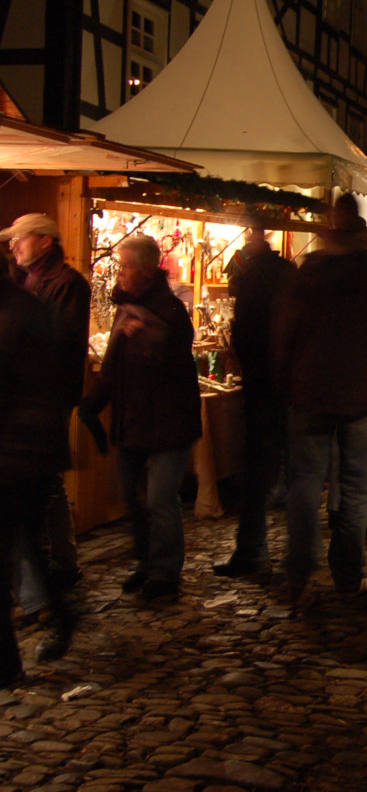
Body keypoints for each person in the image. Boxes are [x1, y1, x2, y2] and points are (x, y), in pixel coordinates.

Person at [274, 200, 367, 605]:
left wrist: (285, 380)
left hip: (310, 387)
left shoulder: (309, 272)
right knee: (355, 484)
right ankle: (347, 572)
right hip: (362, 391)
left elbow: (286, 332)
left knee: (306, 483)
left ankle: (300, 566)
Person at [79, 234, 203, 604]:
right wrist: (90, 406)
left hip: (168, 422)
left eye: (126, 266)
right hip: (133, 420)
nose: (120, 273)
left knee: (160, 499)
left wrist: (148, 337)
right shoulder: (126, 310)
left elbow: (177, 362)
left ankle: (166, 571)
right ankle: (147, 563)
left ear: (147, 270)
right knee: (133, 497)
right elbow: (113, 369)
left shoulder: (169, 311)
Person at [0, 213, 90, 592]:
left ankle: (50, 578)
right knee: (47, 484)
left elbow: (61, 347)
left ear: (46, 242)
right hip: (38, 403)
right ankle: (57, 569)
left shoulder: (65, 283)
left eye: (20, 238)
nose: (13, 246)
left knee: (44, 484)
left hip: (45, 400)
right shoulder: (27, 282)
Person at [0, 264, 76, 680]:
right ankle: (61, 616)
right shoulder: (24, 307)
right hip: (30, 450)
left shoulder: (13, 315)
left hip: (16, 452)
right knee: (27, 544)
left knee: (18, 548)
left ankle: (7, 664)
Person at [213, 218, 295, 577]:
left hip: (264, 385)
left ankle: (257, 551)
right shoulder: (284, 273)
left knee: (260, 471)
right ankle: (287, 554)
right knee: (288, 472)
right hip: (283, 385)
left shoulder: (253, 277)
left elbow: (248, 333)